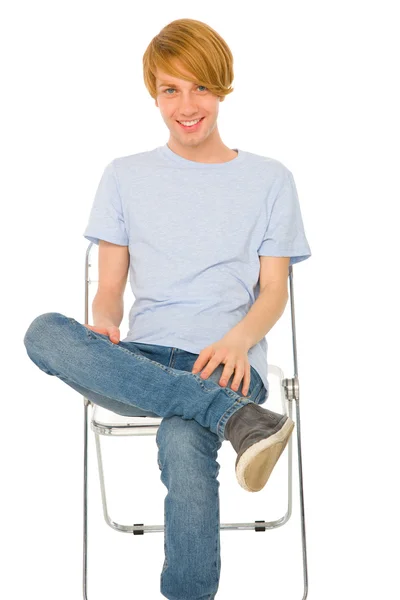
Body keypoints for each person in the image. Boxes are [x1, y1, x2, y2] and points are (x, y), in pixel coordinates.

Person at [23, 18, 312, 600]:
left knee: (182, 440)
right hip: (144, 358)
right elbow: (110, 287)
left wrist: (236, 341)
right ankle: (238, 422)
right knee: (44, 333)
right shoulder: (124, 175)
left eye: (200, 87)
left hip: (227, 362)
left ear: (222, 88)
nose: (187, 105)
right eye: (170, 90)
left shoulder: (270, 180)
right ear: (153, 94)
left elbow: (274, 290)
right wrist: (105, 319)